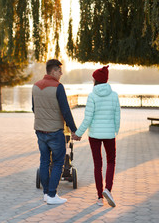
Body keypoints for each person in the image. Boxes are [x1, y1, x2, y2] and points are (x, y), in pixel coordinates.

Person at [32, 59, 80, 205]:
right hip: (54, 131)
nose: (61, 73)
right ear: (53, 71)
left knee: (45, 161)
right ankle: (52, 195)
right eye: (60, 71)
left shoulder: (35, 86)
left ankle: (46, 194)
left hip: (40, 131)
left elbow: (34, 108)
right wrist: (74, 130)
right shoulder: (58, 87)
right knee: (58, 162)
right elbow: (66, 111)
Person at [73, 65, 120, 207]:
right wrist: (114, 131)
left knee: (97, 164)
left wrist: (78, 134)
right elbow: (117, 116)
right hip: (109, 134)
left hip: (94, 135)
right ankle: (108, 189)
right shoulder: (114, 95)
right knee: (111, 162)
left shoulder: (92, 96)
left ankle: (100, 197)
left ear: (96, 81)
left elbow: (88, 118)